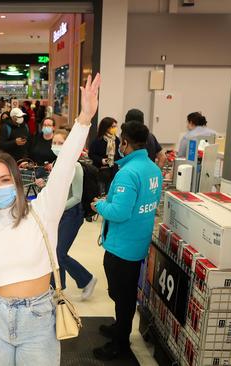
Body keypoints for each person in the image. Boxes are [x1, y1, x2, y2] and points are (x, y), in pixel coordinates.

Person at [0, 74, 100, 365]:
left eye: (4, 179)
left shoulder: (43, 210)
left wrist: (83, 119)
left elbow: (65, 166)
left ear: (17, 182)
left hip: (39, 319)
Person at [91, 121, 163, 361]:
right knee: (126, 292)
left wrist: (99, 205)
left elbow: (119, 213)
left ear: (125, 143)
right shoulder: (153, 169)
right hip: (138, 242)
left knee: (121, 295)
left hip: (121, 246)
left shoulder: (128, 173)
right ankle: (120, 328)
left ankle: (120, 342)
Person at [48, 129, 97, 299]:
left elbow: (76, 197)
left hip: (72, 214)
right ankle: (56, 286)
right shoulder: (56, 164)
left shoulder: (75, 167)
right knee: (55, 251)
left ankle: (87, 279)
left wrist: (58, 207)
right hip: (59, 214)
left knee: (60, 252)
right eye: (54, 142)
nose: (56, 146)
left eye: (61, 143)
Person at [89, 117, 120, 195]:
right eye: (112, 127)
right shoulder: (98, 140)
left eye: (115, 126)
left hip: (113, 170)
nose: (115, 129)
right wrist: (102, 160)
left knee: (110, 192)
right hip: (101, 171)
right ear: (106, 127)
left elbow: (119, 154)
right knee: (101, 193)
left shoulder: (116, 140)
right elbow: (91, 154)